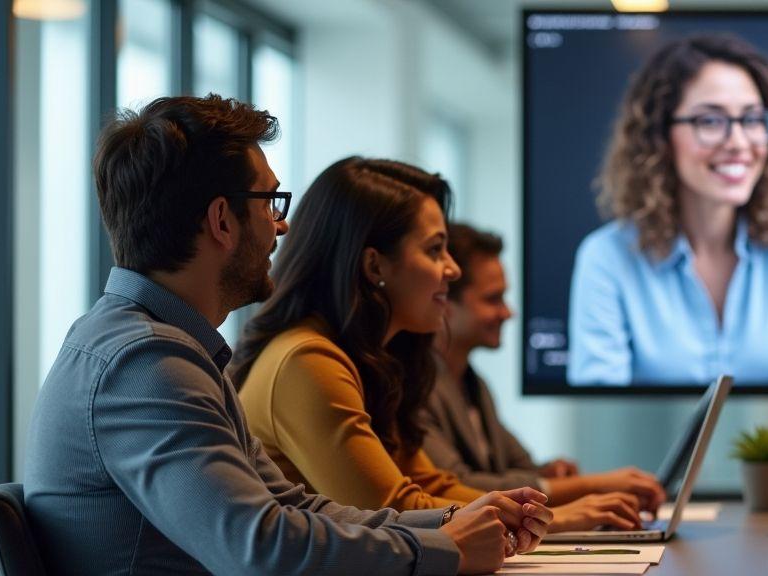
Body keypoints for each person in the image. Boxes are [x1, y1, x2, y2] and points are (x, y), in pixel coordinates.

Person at [23, 95, 549, 576]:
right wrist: (445, 550)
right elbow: (260, 547)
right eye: (271, 202)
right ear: (222, 221)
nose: (282, 227)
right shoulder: (145, 364)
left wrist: (449, 524)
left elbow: (292, 508)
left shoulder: (164, 347)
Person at [231, 157, 647, 534]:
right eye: (435, 250)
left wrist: (548, 512)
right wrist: (556, 518)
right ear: (375, 265)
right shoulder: (307, 359)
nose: (453, 268)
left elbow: (430, 485)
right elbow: (393, 508)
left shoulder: (361, 360)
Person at [567, 34, 768, 386]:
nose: (738, 143)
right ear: (660, 135)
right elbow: (599, 397)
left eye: (752, 119)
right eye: (710, 121)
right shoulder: (607, 257)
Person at [424, 221, 668, 508]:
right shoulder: (415, 388)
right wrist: (591, 486)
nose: (508, 312)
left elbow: (521, 468)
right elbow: (458, 486)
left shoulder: (472, 384)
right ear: (443, 303)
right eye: (493, 299)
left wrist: (550, 474)